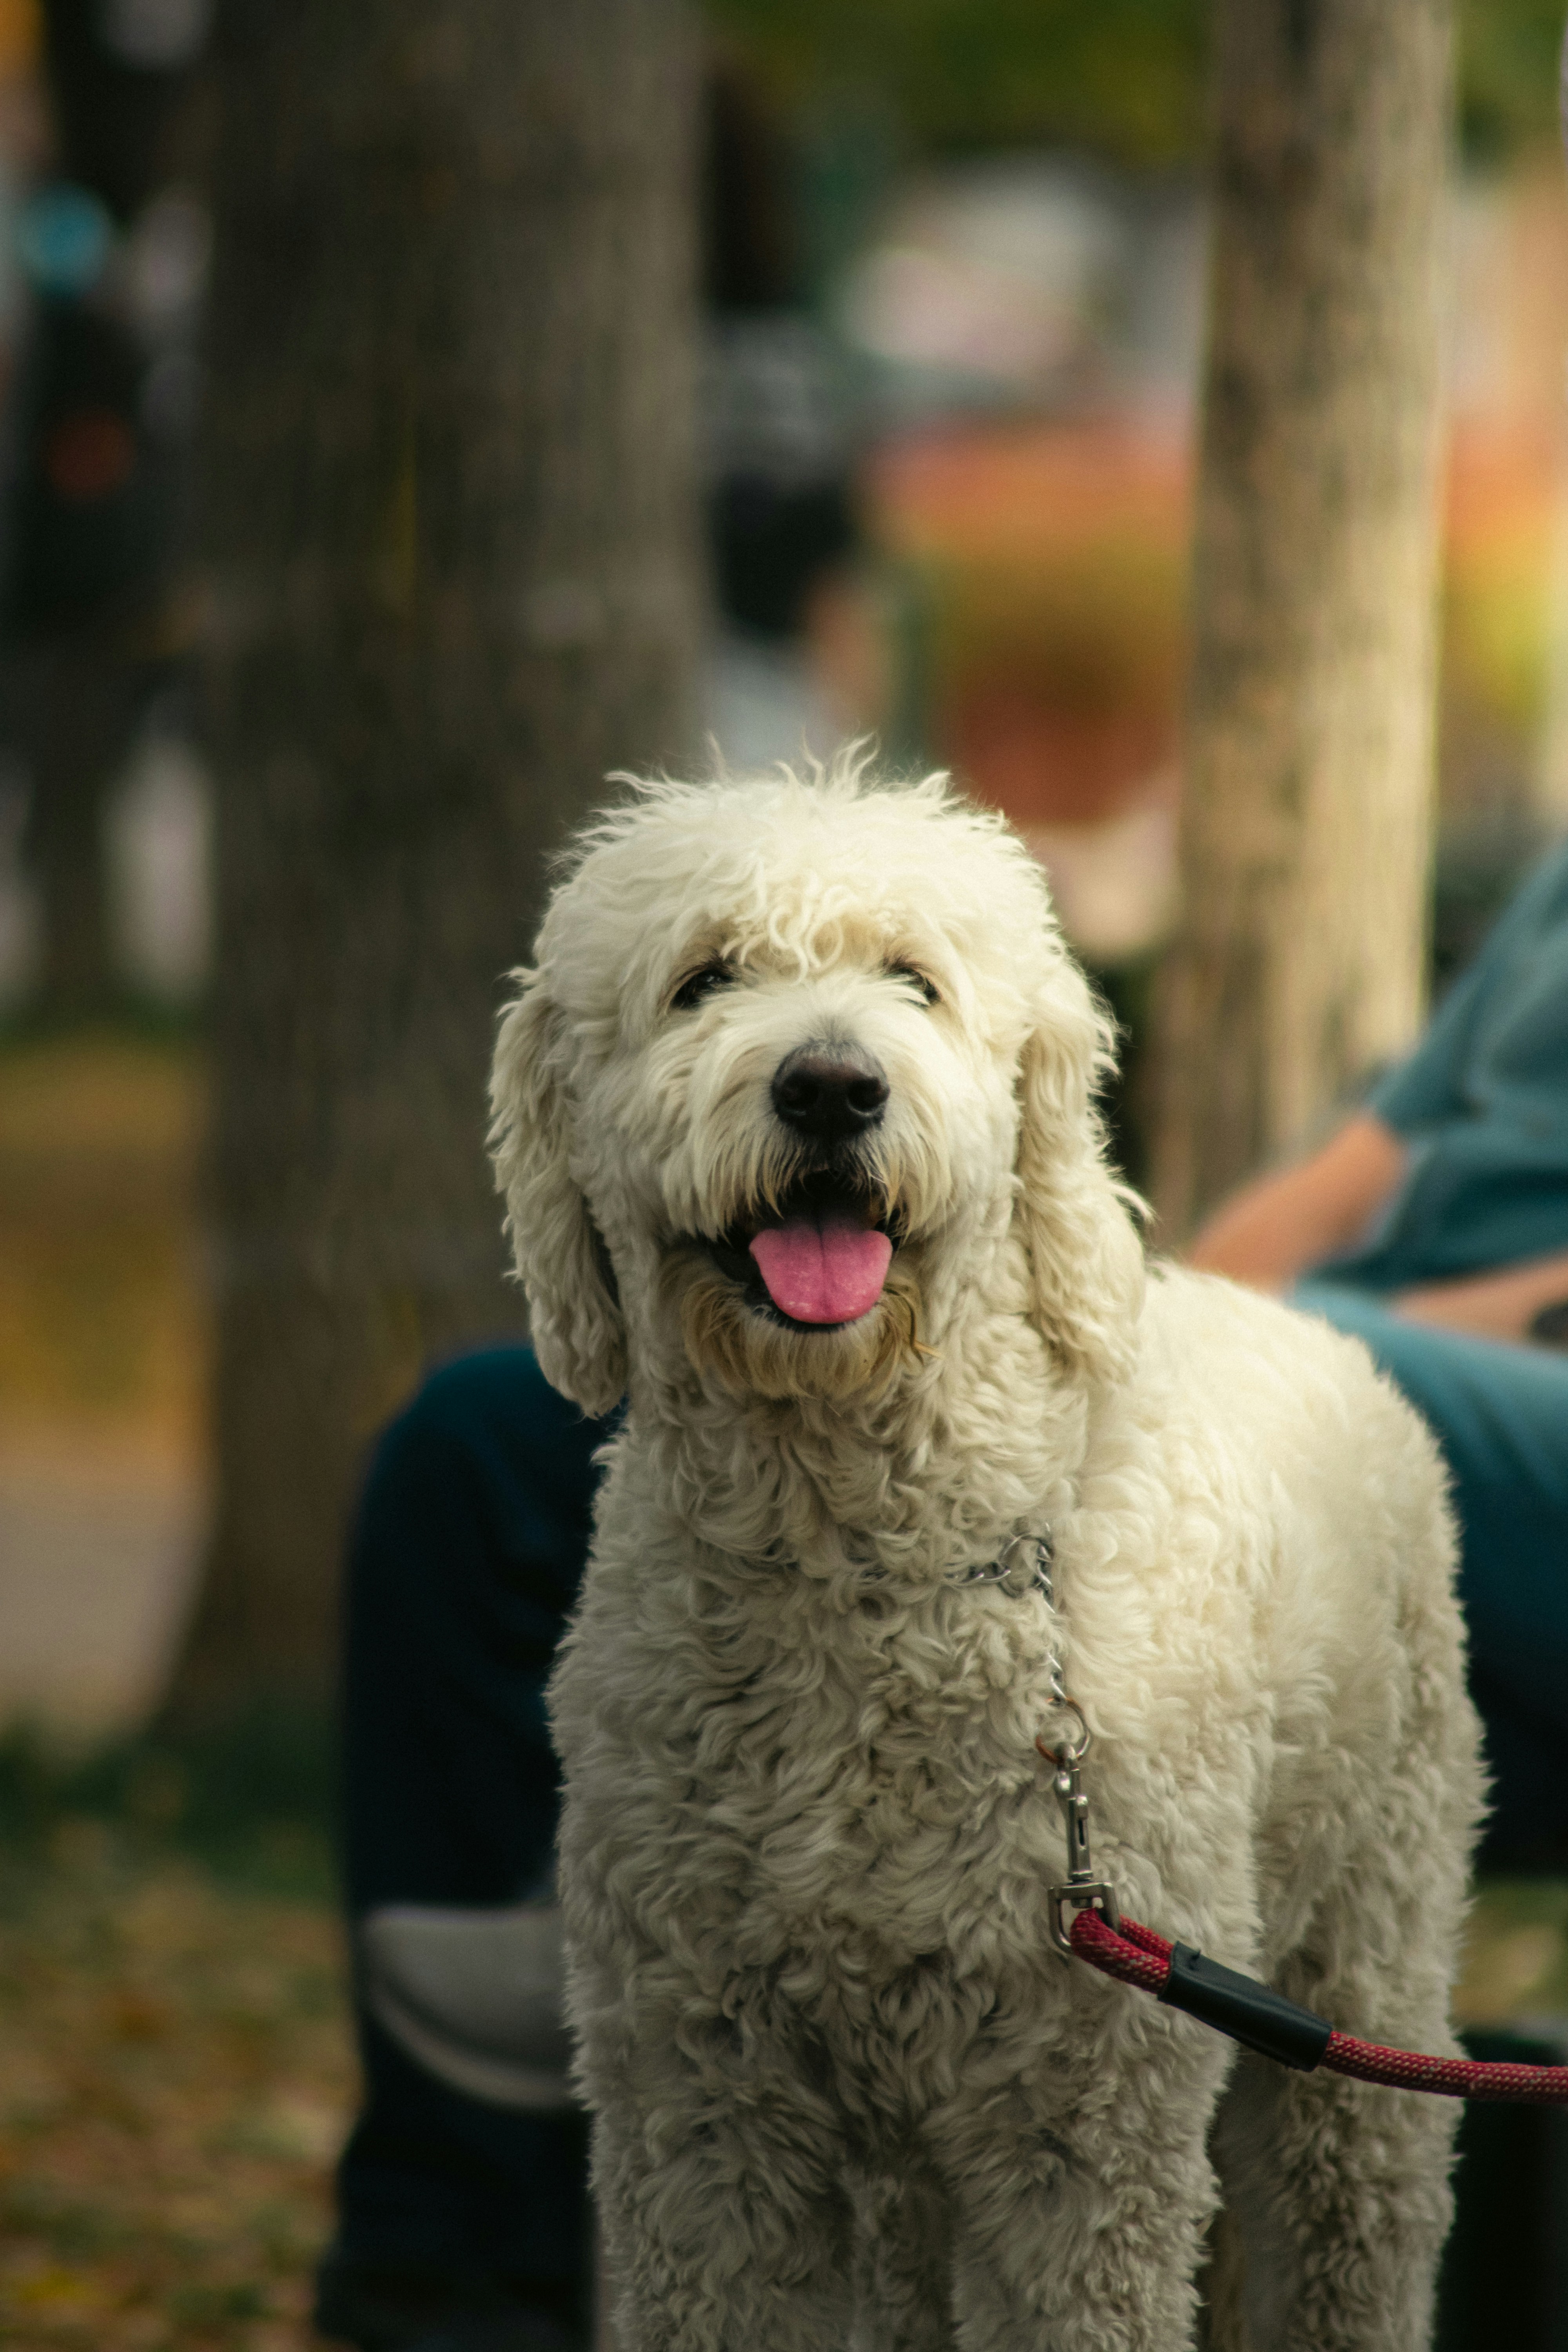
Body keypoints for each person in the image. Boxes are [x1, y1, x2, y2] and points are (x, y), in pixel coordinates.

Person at [316, 840, 1568, 2350]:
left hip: (1524, 1382)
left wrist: (1312, 1327)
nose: (831, 1046)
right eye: (713, 983)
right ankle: (461, 2239)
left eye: (908, 983)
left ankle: (783, 1930)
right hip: (1312, 1309)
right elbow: (1363, 1160)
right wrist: (1174, 1286)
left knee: (1325, 1405)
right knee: (473, 1438)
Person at [1189, 835, 1568, 1864]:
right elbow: (1343, 1179)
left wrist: (1310, 1332)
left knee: (1296, 1372)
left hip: (1498, 1392)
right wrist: (1182, 1308)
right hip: (1384, 1351)